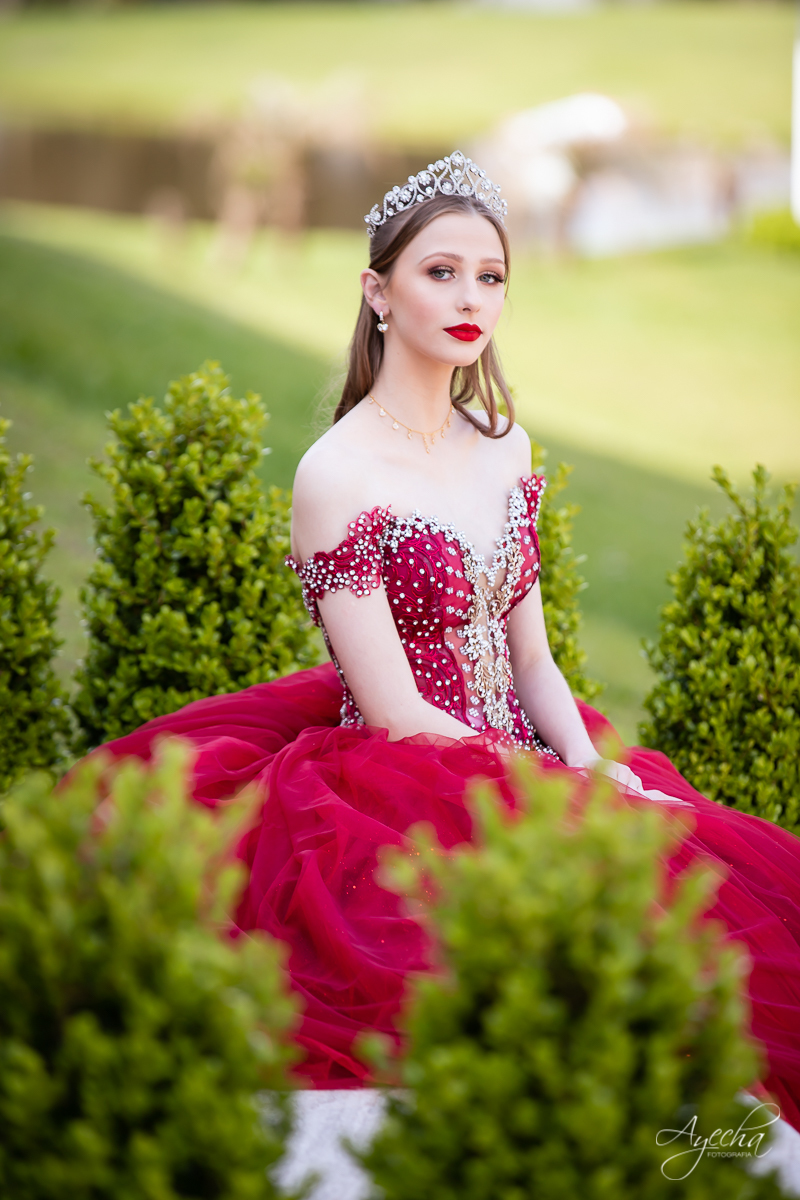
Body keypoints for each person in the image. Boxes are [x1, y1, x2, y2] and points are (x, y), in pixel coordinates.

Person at [99, 153, 800, 1130]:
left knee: (718, 891)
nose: (470, 297)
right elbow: (392, 713)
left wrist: (588, 762)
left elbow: (531, 657)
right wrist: (538, 782)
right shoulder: (336, 475)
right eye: (439, 272)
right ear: (376, 291)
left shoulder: (503, 445)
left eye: (490, 275)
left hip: (525, 747)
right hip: (401, 777)